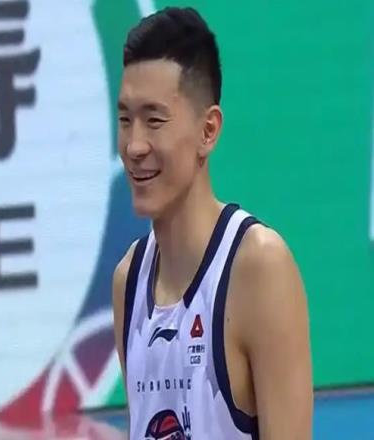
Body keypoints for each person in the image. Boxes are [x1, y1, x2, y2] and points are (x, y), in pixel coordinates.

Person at [112, 7, 313, 439]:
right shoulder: (128, 280)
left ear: (208, 131)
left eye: (154, 120)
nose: (134, 145)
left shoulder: (259, 267)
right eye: (125, 119)